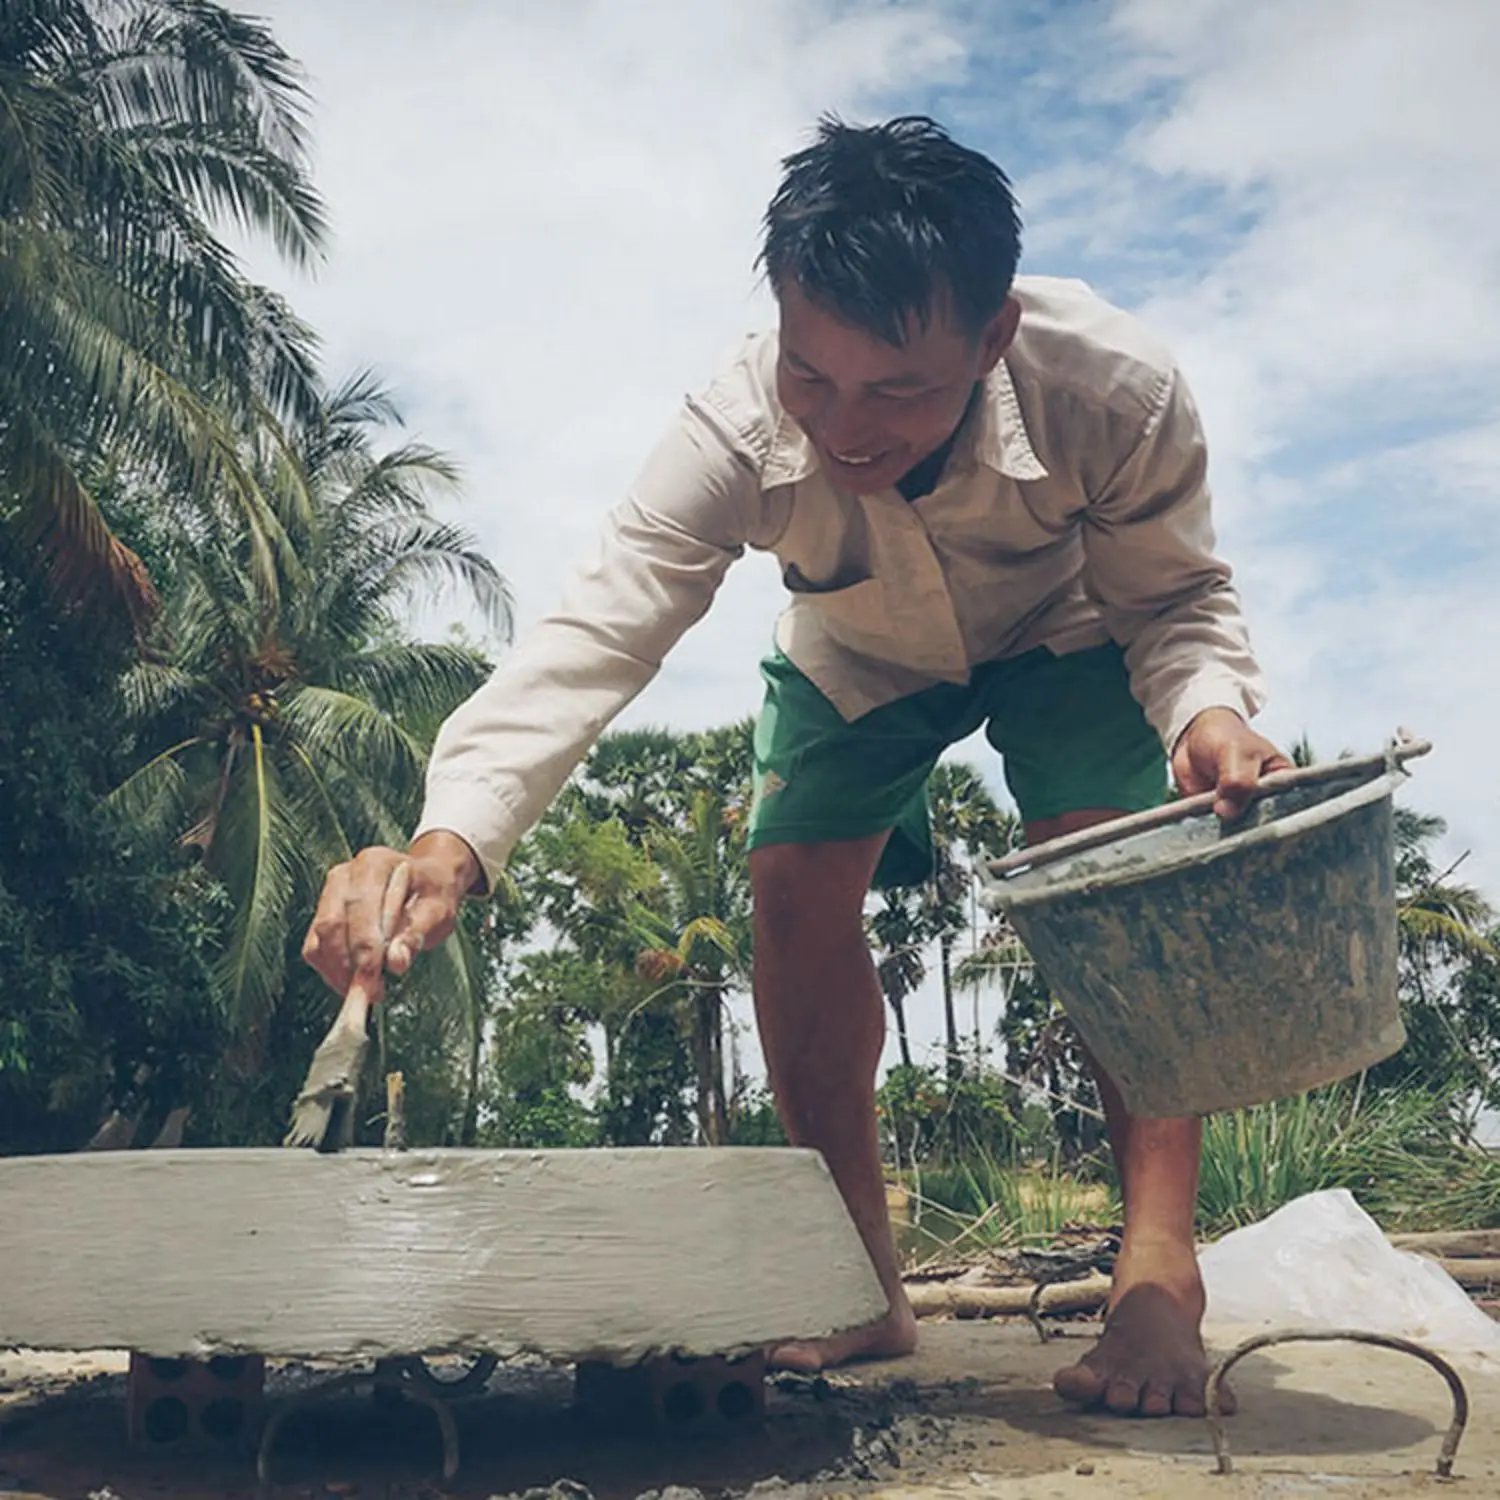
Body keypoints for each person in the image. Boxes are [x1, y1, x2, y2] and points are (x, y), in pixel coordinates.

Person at [302, 115, 1290, 1418]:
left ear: (992, 340)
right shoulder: (729, 425)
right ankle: (859, 1280)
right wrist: (451, 838)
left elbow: (1176, 600)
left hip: (1076, 625)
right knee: (789, 893)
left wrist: (1210, 711)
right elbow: (600, 629)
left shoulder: (1116, 389)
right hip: (859, 646)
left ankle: (1160, 1268)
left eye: (897, 390)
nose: (845, 427)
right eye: (813, 378)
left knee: (1105, 869)